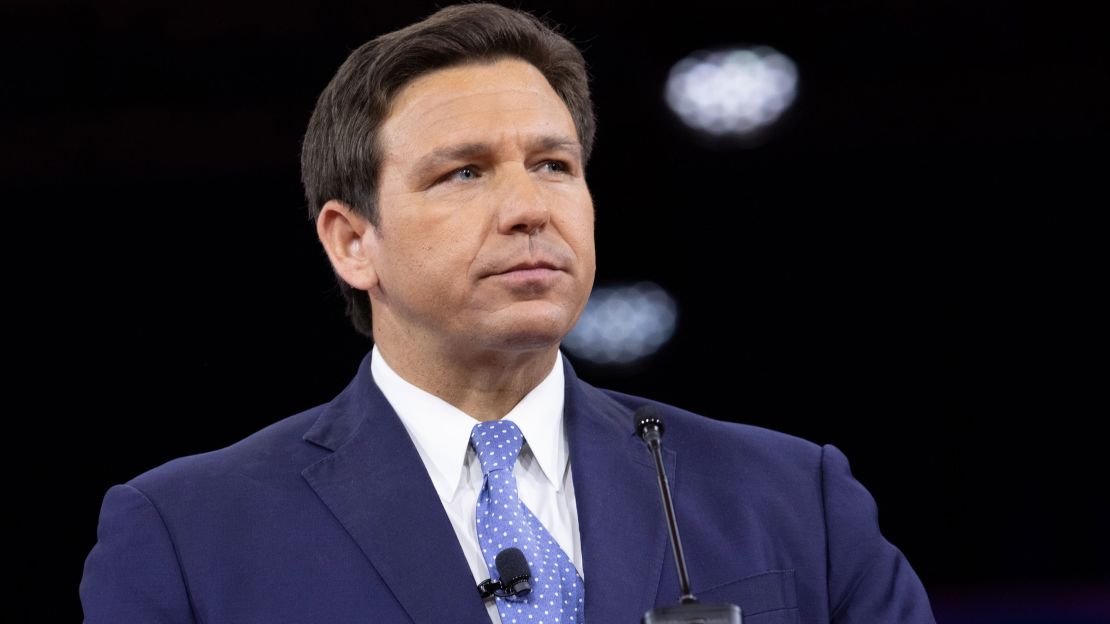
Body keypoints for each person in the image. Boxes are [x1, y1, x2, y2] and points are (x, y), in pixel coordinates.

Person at [80, 4, 935, 623]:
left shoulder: (794, 498)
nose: (532, 208)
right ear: (351, 242)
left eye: (555, 164)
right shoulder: (188, 535)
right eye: (465, 172)